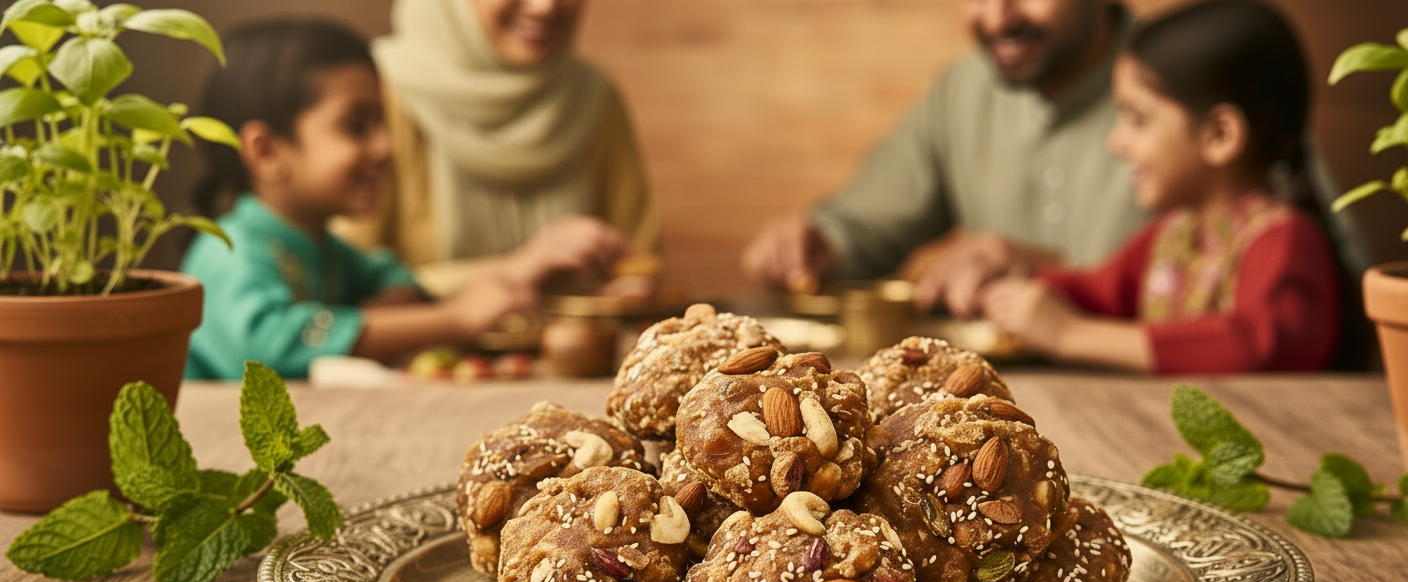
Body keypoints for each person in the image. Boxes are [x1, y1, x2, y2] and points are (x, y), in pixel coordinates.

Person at [182, 19, 623, 380]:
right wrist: (455, 319)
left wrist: (350, 319)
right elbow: (269, 345)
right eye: (356, 127)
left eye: (381, 123)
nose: (386, 147)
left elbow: (396, 280)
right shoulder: (227, 250)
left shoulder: (322, 246)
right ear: (267, 151)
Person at [977, 0, 1339, 373]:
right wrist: (1009, 291)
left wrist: (1071, 335)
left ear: (1220, 135)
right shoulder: (1171, 236)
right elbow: (1097, 290)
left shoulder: (1284, 241)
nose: (1116, 142)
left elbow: (1255, 345)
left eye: (1137, 119)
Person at [741, 0, 1149, 316]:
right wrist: (823, 246)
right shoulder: (962, 88)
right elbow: (869, 223)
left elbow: (1205, 292)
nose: (995, 18)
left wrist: (1057, 277)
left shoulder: (1189, 79)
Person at [336, 0, 660, 299]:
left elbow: (640, 259)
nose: (545, 7)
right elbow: (339, 289)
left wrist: (628, 287)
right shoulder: (371, 94)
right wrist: (518, 269)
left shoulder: (593, 96)